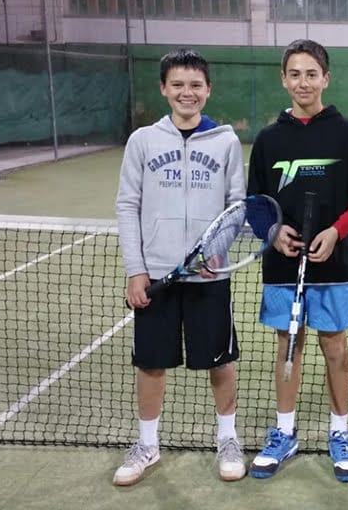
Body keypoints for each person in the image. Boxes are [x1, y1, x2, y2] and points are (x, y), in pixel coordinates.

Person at [114, 48, 247, 486]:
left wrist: (216, 254)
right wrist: (137, 270)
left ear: (207, 90)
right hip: (155, 274)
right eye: (178, 85)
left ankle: (227, 439)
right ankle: (147, 445)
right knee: (151, 363)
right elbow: (127, 205)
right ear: (164, 89)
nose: (186, 93)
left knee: (219, 360)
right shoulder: (143, 141)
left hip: (209, 276)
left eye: (195, 85)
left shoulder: (226, 142)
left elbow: (236, 209)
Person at [246, 39, 348, 482]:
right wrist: (273, 232)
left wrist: (336, 232)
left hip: (333, 263)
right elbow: (255, 203)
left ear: (326, 78)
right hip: (283, 265)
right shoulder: (267, 140)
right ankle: (285, 432)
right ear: (284, 79)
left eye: (311, 74)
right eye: (294, 74)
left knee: (335, 347)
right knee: (289, 345)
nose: (303, 82)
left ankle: (340, 431)